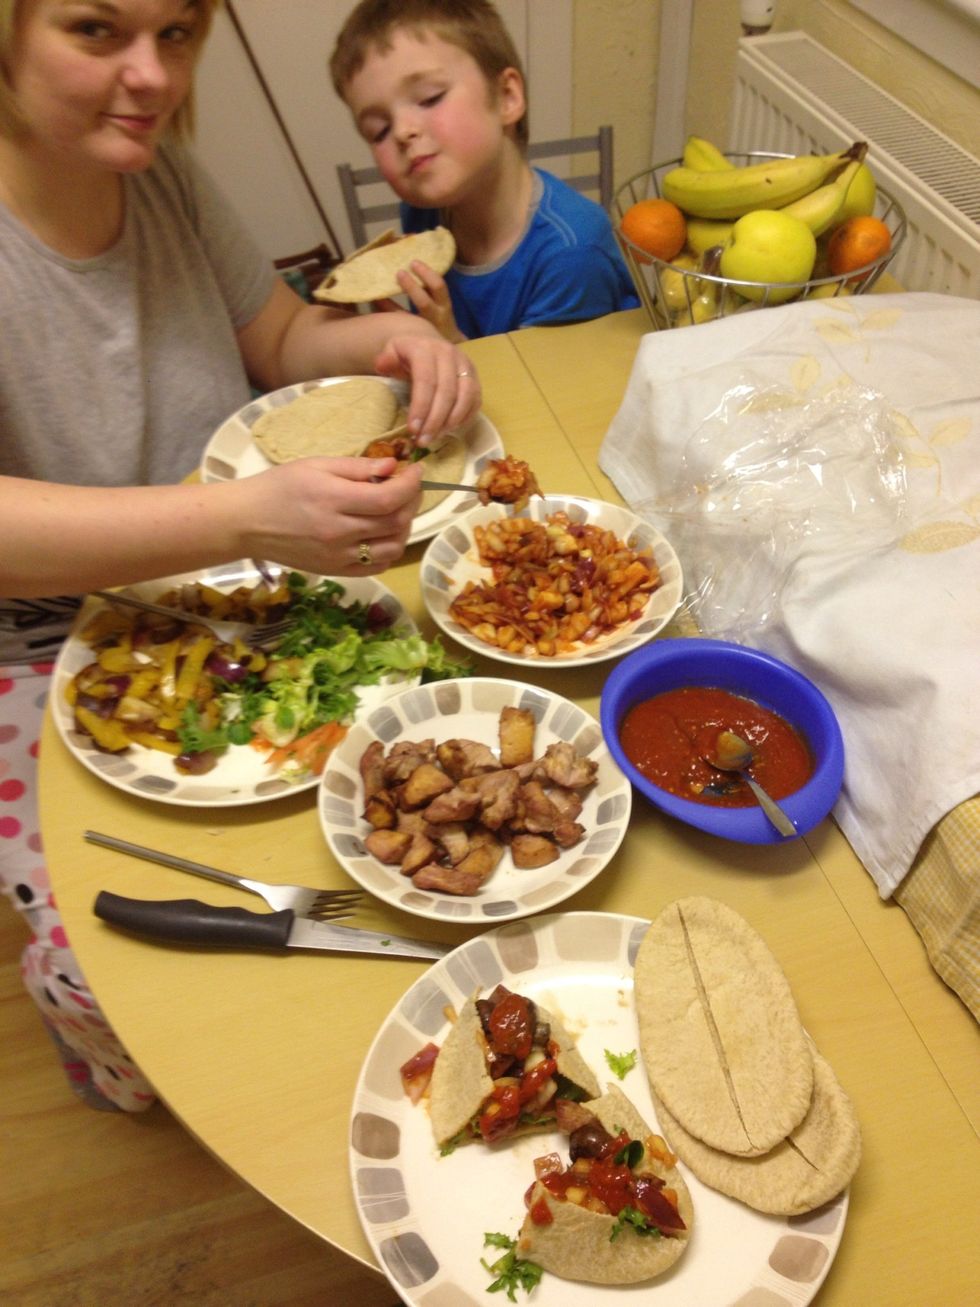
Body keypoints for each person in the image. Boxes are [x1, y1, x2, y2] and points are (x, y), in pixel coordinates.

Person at [0, 0, 481, 1112]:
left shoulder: (161, 173)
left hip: (253, 578)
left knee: (393, 846)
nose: (151, 75)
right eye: (95, 30)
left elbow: (277, 342)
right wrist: (233, 521)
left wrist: (390, 343)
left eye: (175, 35)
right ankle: (115, 1069)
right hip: (41, 637)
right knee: (108, 960)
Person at [330, 0, 639, 342]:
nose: (402, 131)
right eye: (378, 130)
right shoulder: (422, 217)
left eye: (430, 98)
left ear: (506, 97)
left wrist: (447, 343)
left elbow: (550, 392)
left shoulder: (572, 253)